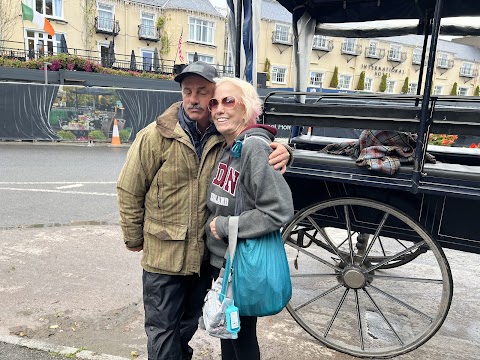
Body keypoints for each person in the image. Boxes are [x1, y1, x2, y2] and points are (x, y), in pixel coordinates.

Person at [116, 61, 291, 360]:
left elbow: (258, 153)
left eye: (205, 94)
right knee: (163, 330)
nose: (196, 100)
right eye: (188, 92)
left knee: (197, 328)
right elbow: (130, 189)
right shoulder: (157, 136)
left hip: (209, 259)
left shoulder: (224, 138)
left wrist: (284, 150)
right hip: (165, 255)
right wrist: (134, 239)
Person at [205, 77, 294, 360]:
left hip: (240, 262)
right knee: (227, 332)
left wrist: (225, 225)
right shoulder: (226, 146)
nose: (219, 109)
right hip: (223, 260)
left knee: (240, 339)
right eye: (214, 103)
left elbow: (277, 209)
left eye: (229, 101)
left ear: (247, 108)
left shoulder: (254, 147)